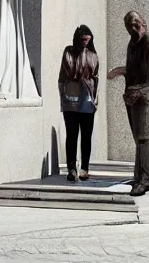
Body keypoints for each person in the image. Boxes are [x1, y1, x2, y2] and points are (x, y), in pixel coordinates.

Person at [107, 11, 149, 196]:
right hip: (132, 95)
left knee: (145, 137)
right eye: (130, 25)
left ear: (144, 22)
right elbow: (135, 69)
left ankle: (145, 179)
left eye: (136, 23)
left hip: (144, 96)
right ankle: (139, 176)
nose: (134, 27)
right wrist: (121, 71)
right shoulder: (133, 43)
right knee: (138, 138)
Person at [58, 25, 99, 182]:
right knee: (72, 134)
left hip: (88, 99)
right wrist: (62, 94)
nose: (86, 39)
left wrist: (95, 98)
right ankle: (71, 168)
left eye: (88, 37)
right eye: (83, 37)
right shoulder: (69, 52)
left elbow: (96, 78)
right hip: (71, 98)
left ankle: (85, 168)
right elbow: (65, 72)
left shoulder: (93, 55)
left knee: (86, 136)